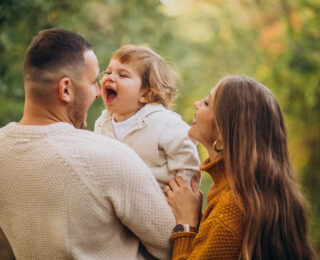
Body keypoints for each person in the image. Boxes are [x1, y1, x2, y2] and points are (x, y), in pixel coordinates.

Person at [0, 28, 175, 259]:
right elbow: (171, 246)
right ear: (65, 89)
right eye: (93, 82)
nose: (98, 93)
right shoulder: (110, 157)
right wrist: (189, 220)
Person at [163, 75, 315, 259]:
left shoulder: (230, 209)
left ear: (223, 131)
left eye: (207, 103)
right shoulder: (243, 192)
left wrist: (186, 224)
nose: (196, 104)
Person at [94, 45, 201, 188]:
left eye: (122, 75)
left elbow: (187, 158)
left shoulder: (162, 122)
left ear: (145, 94)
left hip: (158, 202)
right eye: (107, 72)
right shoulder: (102, 124)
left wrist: (181, 193)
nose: (110, 78)